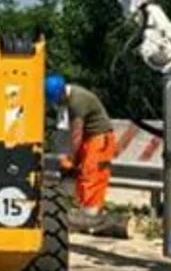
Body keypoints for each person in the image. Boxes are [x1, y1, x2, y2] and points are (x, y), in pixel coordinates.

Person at [44, 73, 120, 232]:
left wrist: (71, 157)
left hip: (99, 137)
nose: (56, 103)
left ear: (62, 93)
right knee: (80, 174)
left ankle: (92, 215)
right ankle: (84, 212)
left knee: (92, 174)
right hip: (88, 138)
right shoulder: (66, 100)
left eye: (56, 99)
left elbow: (76, 134)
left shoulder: (77, 101)